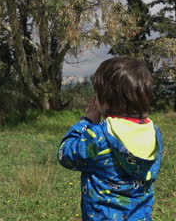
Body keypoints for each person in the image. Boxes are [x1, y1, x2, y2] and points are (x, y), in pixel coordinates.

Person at [58, 56, 163, 221]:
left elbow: (65, 155)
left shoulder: (99, 136)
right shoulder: (154, 133)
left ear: (105, 100)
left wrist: (86, 122)